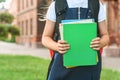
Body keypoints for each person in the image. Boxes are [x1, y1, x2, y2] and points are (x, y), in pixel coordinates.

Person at [42, 0, 109, 80]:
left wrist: (100, 43)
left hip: (89, 67)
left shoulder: (96, 4)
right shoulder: (56, 5)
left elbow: (105, 36)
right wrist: (57, 46)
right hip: (62, 66)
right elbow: (45, 38)